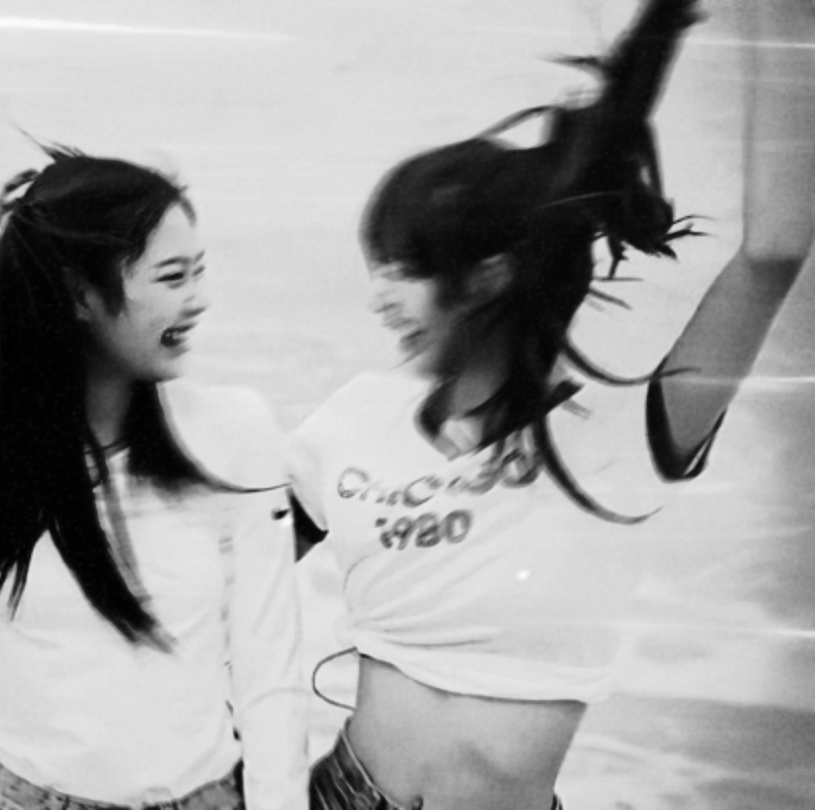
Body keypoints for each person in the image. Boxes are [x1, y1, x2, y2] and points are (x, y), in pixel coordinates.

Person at [289, 1, 815, 809]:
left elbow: (772, 253)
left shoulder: (629, 431)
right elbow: (216, 585)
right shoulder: (351, 422)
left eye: (403, 271)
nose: (379, 299)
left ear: (489, 277)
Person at [0, 150, 308, 810]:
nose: (199, 299)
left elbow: (269, 668)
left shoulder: (234, 429)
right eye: (172, 277)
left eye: (199, 271)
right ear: (78, 294)